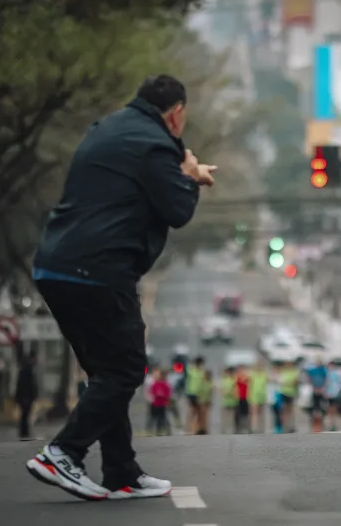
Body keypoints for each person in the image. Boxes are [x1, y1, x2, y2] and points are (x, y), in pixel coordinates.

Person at [25, 74, 217, 501]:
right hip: (97, 271)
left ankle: (121, 470)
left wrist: (183, 173)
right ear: (177, 113)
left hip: (55, 266)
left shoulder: (107, 127)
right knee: (127, 368)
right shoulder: (156, 143)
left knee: (105, 371)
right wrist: (191, 175)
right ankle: (63, 452)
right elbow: (177, 209)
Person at [15, 351, 39, 441]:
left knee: (25, 414)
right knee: (25, 414)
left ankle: (24, 431)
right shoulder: (27, 370)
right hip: (26, 396)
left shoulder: (25, 369)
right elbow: (28, 385)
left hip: (24, 396)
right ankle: (24, 432)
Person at [185, 356, 206, 435]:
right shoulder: (191, 370)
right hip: (192, 393)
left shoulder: (200, 372)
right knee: (194, 411)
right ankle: (191, 428)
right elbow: (187, 369)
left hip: (198, 394)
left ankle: (197, 428)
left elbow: (202, 383)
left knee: (198, 411)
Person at [149, 370, 172, 436]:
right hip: (156, 403)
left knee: (163, 418)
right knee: (155, 418)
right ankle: (154, 430)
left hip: (163, 404)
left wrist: (167, 400)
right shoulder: (155, 384)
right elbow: (152, 393)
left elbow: (168, 395)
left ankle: (167, 430)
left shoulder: (166, 385)